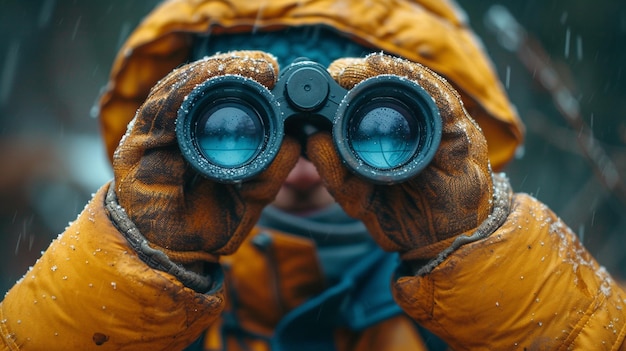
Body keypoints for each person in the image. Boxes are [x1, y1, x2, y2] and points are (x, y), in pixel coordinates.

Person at [1, 0, 625, 350]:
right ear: (177, 142)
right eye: (236, 132)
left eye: (375, 133)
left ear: (440, 142)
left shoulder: (486, 328)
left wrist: (482, 258)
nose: (299, 176)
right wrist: (136, 269)